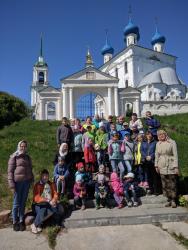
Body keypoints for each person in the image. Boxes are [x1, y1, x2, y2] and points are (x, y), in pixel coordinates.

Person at [8, 140, 34, 231]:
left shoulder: (27, 157)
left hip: (26, 182)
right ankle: (15, 221)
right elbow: (10, 172)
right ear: (19, 146)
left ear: (26, 147)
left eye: (24, 146)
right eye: (21, 146)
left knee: (23, 202)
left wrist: (32, 179)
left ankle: (21, 220)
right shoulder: (14, 157)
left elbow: (30, 168)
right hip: (17, 183)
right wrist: (12, 185)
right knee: (16, 203)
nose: (23, 148)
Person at [31, 169, 62, 234]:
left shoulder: (51, 184)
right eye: (43, 176)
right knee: (44, 208)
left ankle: (39, 224)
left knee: (53, 208)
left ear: (48, 176)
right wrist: (47, 200)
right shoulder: (37, 185)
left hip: (49, 203)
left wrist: (54, 200)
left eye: (46, 176)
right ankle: (34, 224)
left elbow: (55, 194)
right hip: (38, 205)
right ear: (41, 177)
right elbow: (36, 198)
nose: (45, 177)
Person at [155, 130, 179, 208]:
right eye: (159, 135)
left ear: (165, 134)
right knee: (164, 184)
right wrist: (156, 165)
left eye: (162, 134)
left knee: (172, 183)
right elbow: (157, 155)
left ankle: (173, 200)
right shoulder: (158, 143)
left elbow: (175, 155)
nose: (161, 136)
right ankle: (168, 199)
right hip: (161, 165)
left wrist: (176, 166)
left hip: (170, 164)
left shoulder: (172, 142)